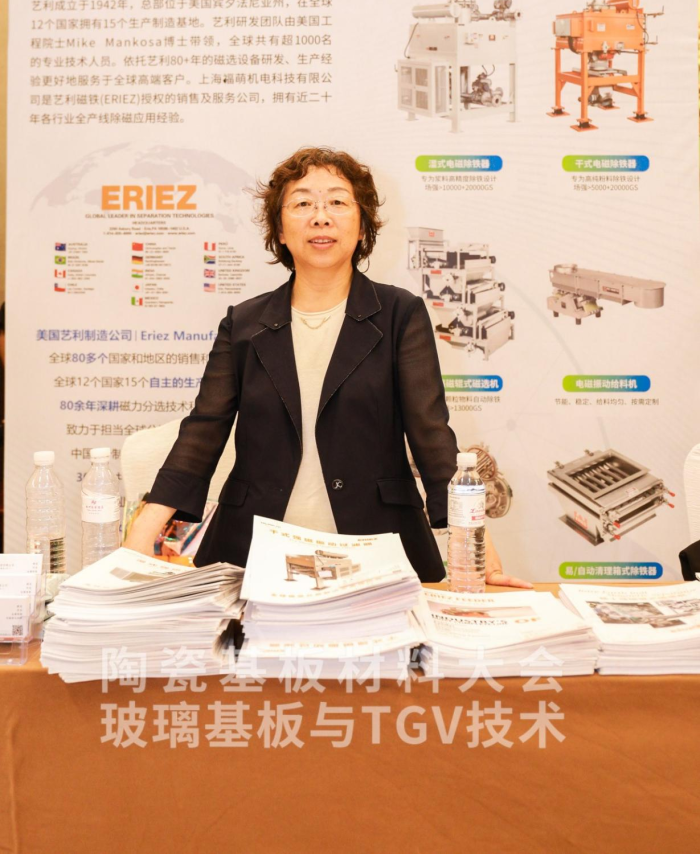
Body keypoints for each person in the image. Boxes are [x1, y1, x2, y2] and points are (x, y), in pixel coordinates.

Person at [125, 147, 530, 586]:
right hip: (254, 549)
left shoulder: (400, 314)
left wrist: (476, 543)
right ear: (280, 230)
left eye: (337, 201)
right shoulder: (244, 323)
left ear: (363, 226)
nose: (320, 217)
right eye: (302, 204)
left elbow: (431, 434)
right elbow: (204, 429)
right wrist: (142, 535)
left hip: (377, 547)